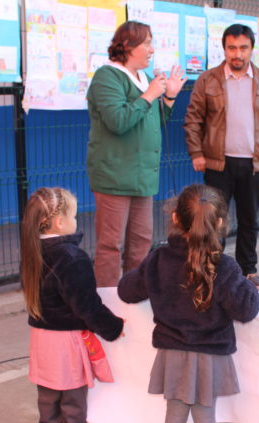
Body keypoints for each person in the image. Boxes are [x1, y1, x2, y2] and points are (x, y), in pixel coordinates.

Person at [118, 184, 259, 423]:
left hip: (172, 354)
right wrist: (246, 283)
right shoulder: (226, 266)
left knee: (175, 413)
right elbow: (247, 309)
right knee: (205, 415)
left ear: (175, 218)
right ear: (219, 223)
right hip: (211, 356)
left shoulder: (158, 259)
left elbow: (127, 291)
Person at [20, 186, 125, 423]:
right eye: (74, 216)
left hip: (41, 340)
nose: (77, 221)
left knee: (47, 395)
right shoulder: (72, 257)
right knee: (74, 396)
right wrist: (113, 327)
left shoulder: (32, 252)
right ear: (59, 222)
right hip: (67, 343)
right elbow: (86, 305)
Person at [184, 24, 259, 290]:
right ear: (224, 48)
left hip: (253, 163)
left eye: (243, 48)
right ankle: (211, 269)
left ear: (252, 49)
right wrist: (196, 152)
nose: (237, 54)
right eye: (232, 48)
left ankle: (248, 270)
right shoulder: (208, 80)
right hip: (218, 163)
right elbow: (193, 120)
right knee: (214, 220)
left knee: (249, 218)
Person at [86, 21, 187, 287]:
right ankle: (106, 304)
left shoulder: (144, 79)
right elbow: (118, 121)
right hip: (114, 175)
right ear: (128, 46)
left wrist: (169, 98)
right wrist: (150, 94)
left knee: (141, 241)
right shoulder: (107, 76)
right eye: (147, 43)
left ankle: (134, 294)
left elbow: (153, 121)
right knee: (111, 245)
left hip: (142, 176)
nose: (152, 49)